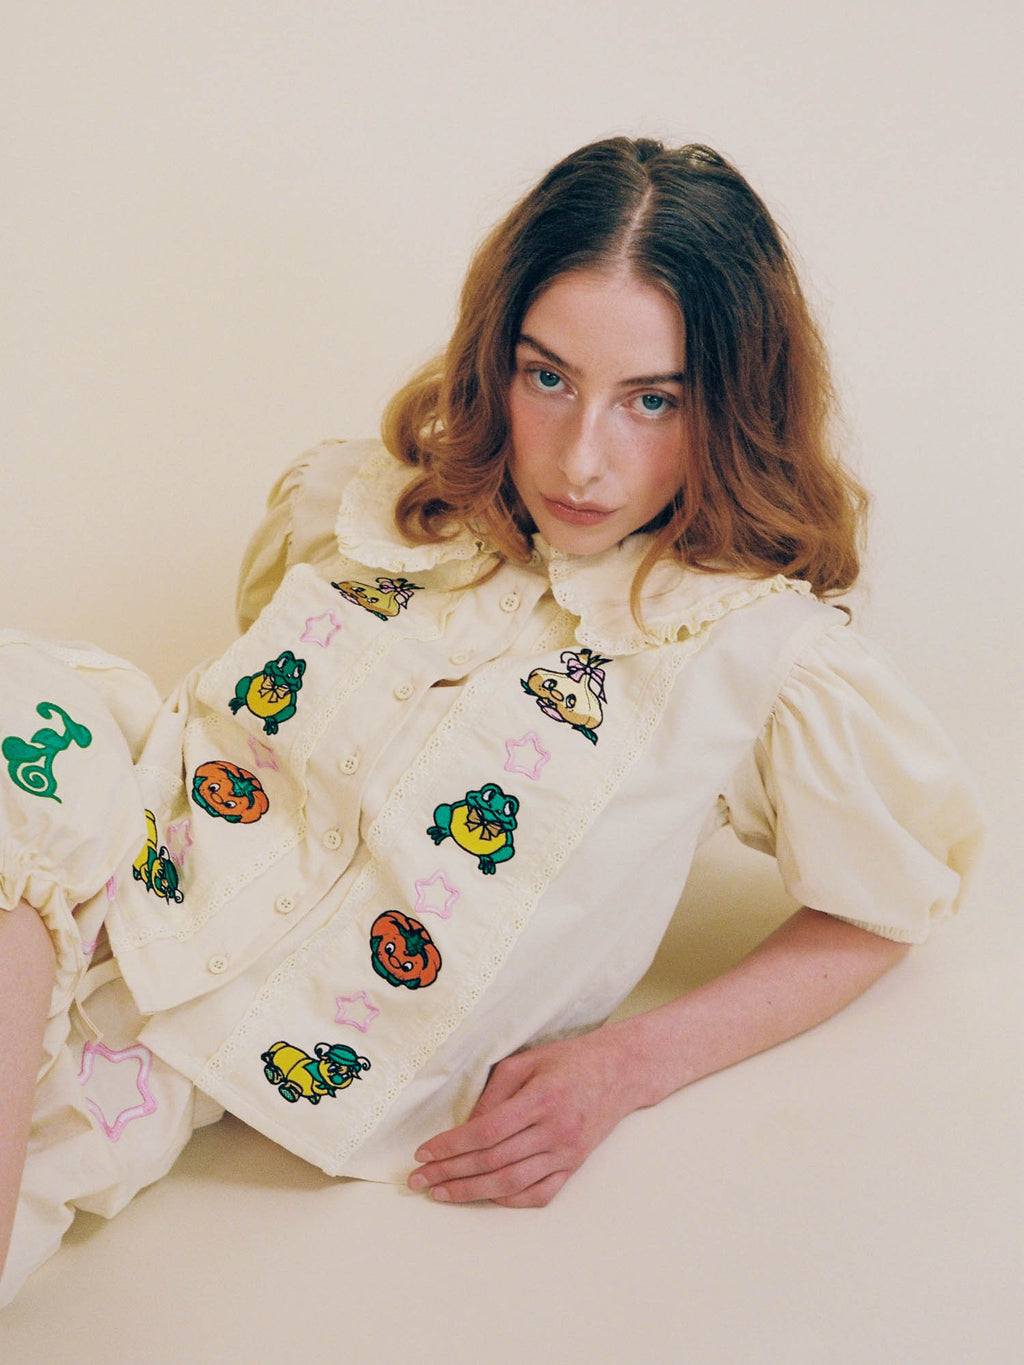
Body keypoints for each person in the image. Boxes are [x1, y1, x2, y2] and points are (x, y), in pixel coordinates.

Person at [0, 137, 982, 1305]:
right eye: (546, 377)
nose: (582, 459)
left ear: (731, 401)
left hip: (174, 1060)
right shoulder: (356, 505)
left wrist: (626, 1066)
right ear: (494, 357)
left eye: (653, 401)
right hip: (70, 824)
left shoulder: (759, 661)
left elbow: (885, 905)